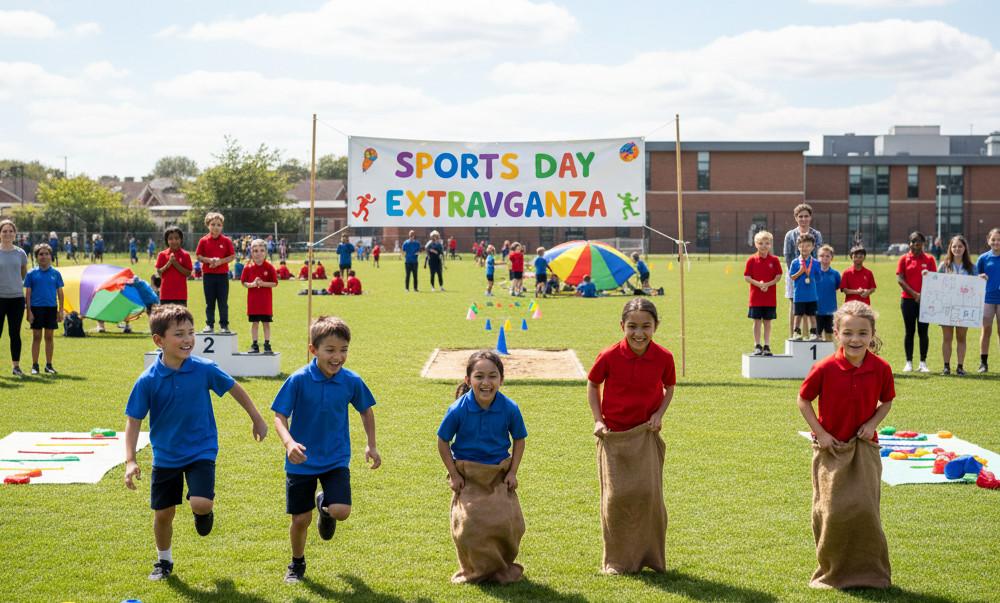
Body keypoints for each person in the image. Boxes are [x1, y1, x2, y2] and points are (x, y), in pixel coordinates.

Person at [124, 305, 268, 581]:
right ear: (159, 341)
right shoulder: (147, 381)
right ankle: (163, 561)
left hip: (202, 448)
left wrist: (257, 418)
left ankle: (202, 512)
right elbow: (134, 421)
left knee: (201, 503)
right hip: (166, 455)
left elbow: (235, 389)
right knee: (164, 514)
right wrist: (131, 460)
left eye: (191, 332)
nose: (188, 339)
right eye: (179, 334)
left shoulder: (204, 369)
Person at [271, 316, 380, 583]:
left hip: (336, 458)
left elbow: (366, 411)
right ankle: (297, 564)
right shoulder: (298, 380)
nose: (338, 357)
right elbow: (278, 415)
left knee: (341, 511)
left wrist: (371, 444)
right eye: (330, 350)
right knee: (300, 520)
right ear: (313, 350)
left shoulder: (351, 381)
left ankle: (326, 507)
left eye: (343, 350)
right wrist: (289, 443)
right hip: (301, 460)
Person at [797, 301, 894, 590]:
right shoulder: (824, 367)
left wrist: (873, 424)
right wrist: (820, 433)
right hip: (831, 449)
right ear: (836, 332)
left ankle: (871, 574)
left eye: (863, 333)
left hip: (864, 449)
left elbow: (886, 400)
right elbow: (803, 400)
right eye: (848, 332)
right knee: (832, 511)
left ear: (872, 334)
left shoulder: (881, 368)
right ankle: (832, 573)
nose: (855, 339)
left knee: (866, 511)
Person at [587, 298, 675, 574]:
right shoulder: (609, 355)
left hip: (645, 435)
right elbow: (593, 383)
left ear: (656, 326)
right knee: (616, 498)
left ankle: (652, 558)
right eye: (632, 326)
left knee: (649, 496)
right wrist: (598, 420)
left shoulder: (664, 357)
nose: (639, 333)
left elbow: (669, 387)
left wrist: (659, 414)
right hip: (613, 436)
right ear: (622, 326)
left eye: (646, 326)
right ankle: (616, 561)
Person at [437, 350, 527, 583]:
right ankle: (475, 569)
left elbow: (519, 439)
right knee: (469, 525)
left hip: (498, 473)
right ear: (468, 380)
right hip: (468, 475)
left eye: (492, 376)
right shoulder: (458, 409)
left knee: (509, 522)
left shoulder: (510, 408)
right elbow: (442, 441)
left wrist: (513, 471)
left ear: (501, 379)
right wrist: (454, 473)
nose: (486, 383)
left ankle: (500, 567)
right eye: (479, 376)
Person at [936, 235, 977, 375]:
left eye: (960, 246)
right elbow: (935, 284)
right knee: (947, 338)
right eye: (954, 246)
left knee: (961, 338)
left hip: (964, 308)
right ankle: (946, 366)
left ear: (965, 248)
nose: (957, 249)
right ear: (950, 248)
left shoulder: (971, 267)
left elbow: (977, 287)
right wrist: (926, 275)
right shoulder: (944, 265)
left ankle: (960, 367)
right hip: (947, 308)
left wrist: (982, 279)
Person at [896, 231, 936, 373]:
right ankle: (909, 362)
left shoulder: (930, 259)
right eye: (912, 241)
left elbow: (934, 279)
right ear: (909, 243)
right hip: (907, 301)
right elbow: (900, 279)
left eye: (918, 241)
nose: (915, 244)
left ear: (923, 243)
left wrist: (923, 295)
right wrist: (914, 294)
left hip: (925, 301)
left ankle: (923, 362)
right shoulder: (904, 259)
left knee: (923, 332)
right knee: (909, 331)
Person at [783, 204, 823, 336]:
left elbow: (819, 254)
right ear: (796, 218)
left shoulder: (816, 234)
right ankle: (794, 334)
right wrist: (795, 272)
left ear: (810, 217)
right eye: (800, 216)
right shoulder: (790, 235)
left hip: (811, 275)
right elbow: (787, 255)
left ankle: (810, 335)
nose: (803, 219)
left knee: (811, 306)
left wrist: (810, 271)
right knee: (795, 305)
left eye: (806, 216)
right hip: (795, 274)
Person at [24, 243, 64, 375]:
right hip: (36, 308)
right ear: (36, 257)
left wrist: (60, 310)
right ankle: (35, 365)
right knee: (36, 337)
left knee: (49, 337)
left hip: (51, 308)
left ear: (50, 256)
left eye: (47, 254)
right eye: (41, 254)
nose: (44, 256)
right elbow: (28, 294)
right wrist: (28, 311)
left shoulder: (56, 274)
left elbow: (60, 293)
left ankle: (49, 365)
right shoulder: (31, 274)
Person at [195, 212, 236, 334]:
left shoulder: (226, 241)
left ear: (222, 226)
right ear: (208, 225)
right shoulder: (203, 241)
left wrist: (220, 262)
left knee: (223, 302)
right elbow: (198, 256)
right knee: (210, 302)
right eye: (213, 224)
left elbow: (232, 256)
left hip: (222, 276)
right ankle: (209, 325)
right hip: (208, 276)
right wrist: (209, 260)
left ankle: (224, 325)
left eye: (218, 225)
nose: (216, 227)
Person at [744, 230, 782, 356]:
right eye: (761, 243)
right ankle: (757, 345)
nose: (764, 246)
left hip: (769, 298)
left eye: (766, 243)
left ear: (770, 244)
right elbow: (747, 277)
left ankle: (766, 345)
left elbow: (778, 276)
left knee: (767, 322)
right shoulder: (751, 260)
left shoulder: (775, 260)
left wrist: (767, 284)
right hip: (755, 298)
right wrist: (759, 284)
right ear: (756, 244)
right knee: (756, 322)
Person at [0, 219, 29, 377]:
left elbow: (24, 273)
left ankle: (16, 366)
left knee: (14, 333)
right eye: (4, 231)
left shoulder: (20, 253)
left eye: (10, 231)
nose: (7, 234)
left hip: (17, 299)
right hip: (0, 298)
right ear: (0, 234)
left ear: (15, 234)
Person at [241, 239, 278, 354]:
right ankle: (255, 344)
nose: (259, 253)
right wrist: (252, 284)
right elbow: (243, 282)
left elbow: (275, 283)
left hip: (265, 303)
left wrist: (263, 284)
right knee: (255, 323)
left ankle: (267, 344)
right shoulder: (248, 267)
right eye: (255, 251)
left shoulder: (269, 267)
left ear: (266, 252)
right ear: (251, 252)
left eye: (262, 250)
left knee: (266, 324)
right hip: (253, 303)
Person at [977, 228, 1000, 373]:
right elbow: (975, 276)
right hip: (987, 299)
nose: (996, 242)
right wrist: (980, 277)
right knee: (986, 330)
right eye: (993, 239)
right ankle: (983, 363)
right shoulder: (983, 258)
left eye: (999, 240)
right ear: (988, 240)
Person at [789, 233, 819, 341]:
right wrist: (800, 272)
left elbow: (819, 277)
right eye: (801, 246)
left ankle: (813, 333)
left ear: (812, 247)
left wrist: (813, 275)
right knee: (798, 315)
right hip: (799, 295)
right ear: (798, 247)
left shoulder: (815, 263)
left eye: (807, 246)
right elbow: (792, 277)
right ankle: (796, 332)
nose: (804, 248)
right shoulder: (795, 262)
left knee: (812, 315)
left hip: (812, 295)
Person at [155, 226, 192, 307]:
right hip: (165, 295)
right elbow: (159, 273)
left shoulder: (186, 255)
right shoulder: (162, 255)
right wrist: (169, 263)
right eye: (171, 239)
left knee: (180, 319)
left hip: (180, 295)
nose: (174, 241)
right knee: (165, 319)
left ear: (181, 239)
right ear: (167, 241)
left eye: (176, 238)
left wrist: (175, 264)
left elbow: (188, 273)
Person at [815, 245, 841, 343]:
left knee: (830, 337)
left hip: (831, 311)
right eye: (821, 256)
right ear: (818, 258)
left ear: (832, 258)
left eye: (827, 256)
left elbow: (838, 287)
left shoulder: (835, 274)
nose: (824, 258)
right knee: (816, 338)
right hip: (816, 311)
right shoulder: (814, 273)